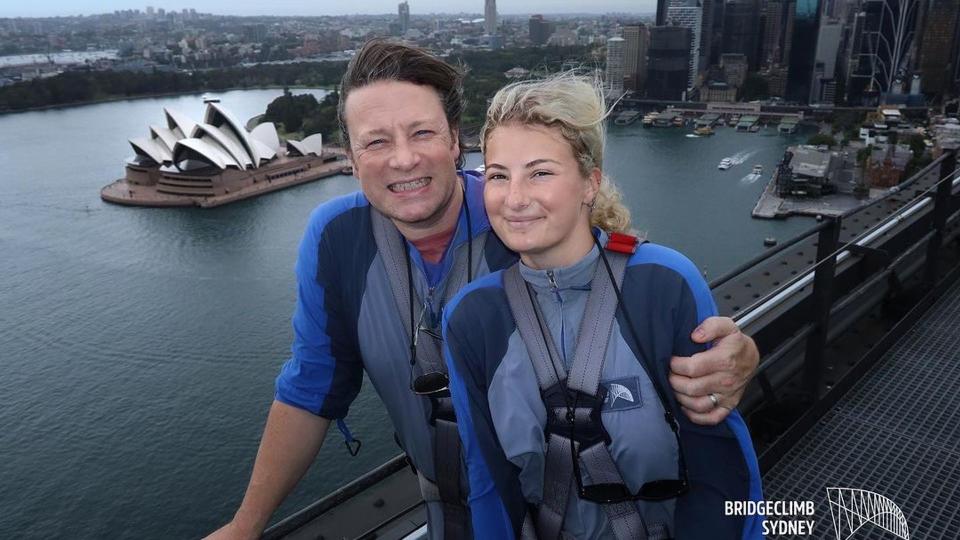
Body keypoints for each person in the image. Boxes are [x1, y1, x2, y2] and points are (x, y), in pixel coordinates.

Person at [207, 41, 759, 540]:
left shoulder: (521, 228)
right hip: (456, 509)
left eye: (422, 133)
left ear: (455, 142)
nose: (403, 159)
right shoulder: (336, 239)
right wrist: (245, 526)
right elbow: (311, 386)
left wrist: (735, 349)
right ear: (349, 157)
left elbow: (617, 284)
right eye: (375, 141)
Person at [442, 74, 763, 540]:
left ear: (590, 183)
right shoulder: (473, 318)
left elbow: (720, 463)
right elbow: (489, 484)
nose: (514, 198)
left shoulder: (662, 283)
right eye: (497, 175)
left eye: (540, 172)